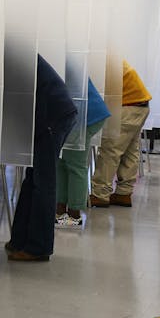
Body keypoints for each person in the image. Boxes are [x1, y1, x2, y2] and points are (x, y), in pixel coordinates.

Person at [5, 55, 77, 261]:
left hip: (51, 115)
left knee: (43, 182)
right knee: (33, 178)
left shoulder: (8, 49)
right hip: (53, 112)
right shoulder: (13, 46)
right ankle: (20, 240)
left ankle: (38, 248)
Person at [90, 60, 151, 208]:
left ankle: (100, 194)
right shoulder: (111, 55)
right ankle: (124, 193)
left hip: (128, 107)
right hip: (140, 105)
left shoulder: (101, 59)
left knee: (110, 150)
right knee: (130, 151)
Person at [55, 78, 111, 229]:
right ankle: (59, 210)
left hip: (84, 115)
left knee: (74, 164)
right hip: (77, 112)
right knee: (61, 162)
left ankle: (74, 214)